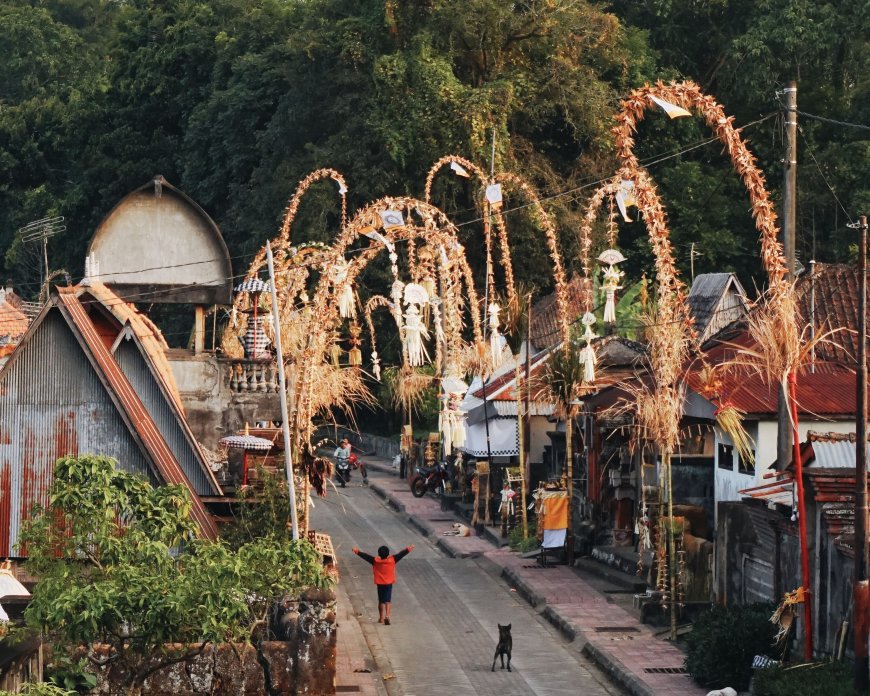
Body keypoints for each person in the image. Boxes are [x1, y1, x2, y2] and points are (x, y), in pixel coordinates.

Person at [351, 544, 414, 624]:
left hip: (380, 583)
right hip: (388, 583)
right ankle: (387, 616)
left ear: (379, 554)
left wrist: (356, 551)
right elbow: (401, 554)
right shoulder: (392, 560)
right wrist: (409, 548)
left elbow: (365, 556)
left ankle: (381, 618)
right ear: (388, 554)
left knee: (381, 601)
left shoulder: (375, 561)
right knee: (388, 601)